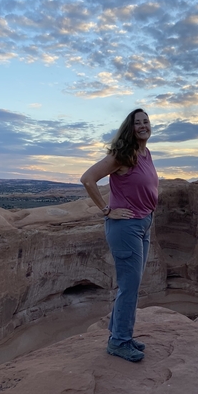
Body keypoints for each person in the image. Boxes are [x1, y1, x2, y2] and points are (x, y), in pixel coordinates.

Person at [80, 108, 158, 362]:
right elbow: (88, 178)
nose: (143, 126)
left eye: (146, 121)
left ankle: (119, 333)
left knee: (132, 284)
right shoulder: (121, 155)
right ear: (130, 127)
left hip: (143, 224)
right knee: (129, 286)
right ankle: (119, 342)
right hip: (126, 227)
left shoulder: (144, 153)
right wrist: (107, 210)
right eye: (138, 123)